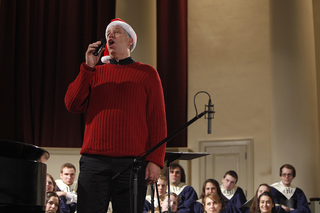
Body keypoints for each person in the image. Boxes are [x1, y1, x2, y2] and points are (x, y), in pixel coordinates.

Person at [64, 18, 167, 213]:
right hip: (94, 162)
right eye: (108, 33)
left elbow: (158, 120)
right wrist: (87, 67)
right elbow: (72, 104)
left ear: (130, 41)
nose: (110, 35)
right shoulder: (94, 73)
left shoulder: (147, 73)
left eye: (117, 32)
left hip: (132, 164)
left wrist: (155, 161)